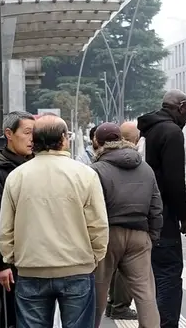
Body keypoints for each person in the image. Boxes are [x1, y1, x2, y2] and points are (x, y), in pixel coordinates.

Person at [0, 114, 109, 328]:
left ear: (35, 140)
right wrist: (94, 257)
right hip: (77, 267)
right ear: (63, 139)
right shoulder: (85, 175)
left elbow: (5, 228)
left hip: (31, 268)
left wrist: (13, 257)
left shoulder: (17, 176)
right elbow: (98, 225)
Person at [91, 123, 163, 328]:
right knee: (145, 293)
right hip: (139, 234)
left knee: (98, 291)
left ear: (97, 142)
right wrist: (152, 235)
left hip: (107, 236)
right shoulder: (145, 168)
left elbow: (90, 207)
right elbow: (156, 205)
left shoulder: (96, 170)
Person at [137, 89, 186, 328]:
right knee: (169, 279)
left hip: (146, 216)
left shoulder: (148, 129)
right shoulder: (171, 132)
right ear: (181, 107)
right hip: (165, 218)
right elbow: (174, 181)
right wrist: (185, 218)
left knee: (151, 280)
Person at [0, 111, 35, 328]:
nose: (32, 139)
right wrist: (1, 263)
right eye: (27, 133)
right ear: (9, 134)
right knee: (14, 317)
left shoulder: (33, 164)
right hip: (13, 261)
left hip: (35, 257)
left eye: (34, 133)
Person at [79, 124, 137, 321]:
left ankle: (99, 316)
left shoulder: (92, 167)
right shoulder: (140, 165)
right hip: (132, 226)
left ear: (96, 140)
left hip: (104, 227)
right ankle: (119, 306)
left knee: (100, 280)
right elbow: (153, 201)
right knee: (138, 281)